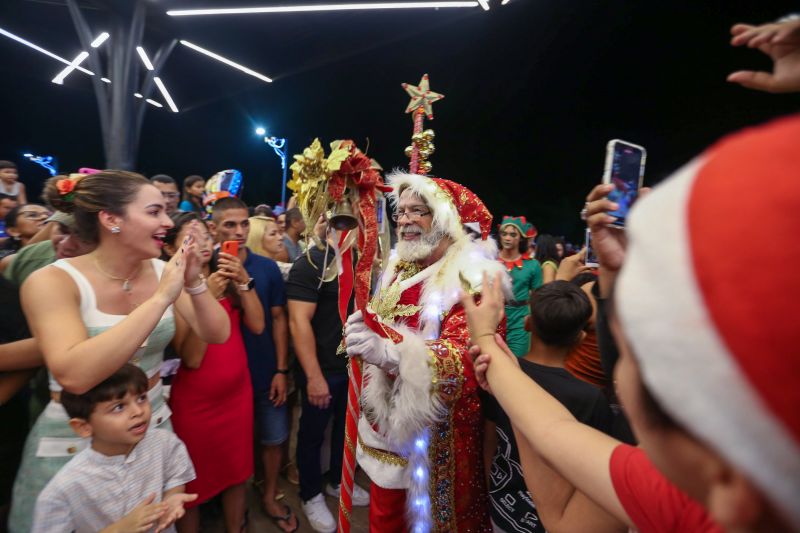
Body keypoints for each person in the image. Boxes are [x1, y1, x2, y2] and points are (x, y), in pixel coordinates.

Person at [463, 114, 800, 532]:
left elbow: (555, 452)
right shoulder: (745, 480)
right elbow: (552, 428)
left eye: (631, 355)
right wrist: (616, 273)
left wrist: (485, 339)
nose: (617, 364)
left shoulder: (682, 495)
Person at [9, 170, 229, 532]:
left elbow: (216, 332)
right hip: (76, 436)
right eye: (154, 211)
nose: (166, 221)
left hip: (151, 422)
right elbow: (74, 373)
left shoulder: (162, 270)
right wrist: (161, 299)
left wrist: (192, 283)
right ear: (111, 219)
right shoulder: (52, 281)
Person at [343, 173, 508, 532]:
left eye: (417, 211)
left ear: (446, 220)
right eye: (401, 211)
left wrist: (394, 354)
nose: (404, 220)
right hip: (385, 431)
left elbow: (470, 356)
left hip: (438, 439)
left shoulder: (473, 277)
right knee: (384, 517)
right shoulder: (400, 266)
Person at [481, 281, 615, 533]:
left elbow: (489, 440)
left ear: (527, 323)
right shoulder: (590, 398)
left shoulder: (501, 375)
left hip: (499, 510)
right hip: (556, 521)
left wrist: (489, 492)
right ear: (580, 337)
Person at [164, 212, 263, 533]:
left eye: (205, 237)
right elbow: (191, 358)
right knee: (192, 485)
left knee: (237, 474)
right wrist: (206, 295)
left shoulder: (226, 276)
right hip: (197, 406)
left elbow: (258, 325)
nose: (204, 245)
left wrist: (243, 281)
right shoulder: (174, 291)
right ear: (170, 250)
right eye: (190, 240)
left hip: (237, 396)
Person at [209, 198, 296, 532]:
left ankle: (270, 495)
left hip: (262, 371)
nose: (239, 231)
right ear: (213, 228)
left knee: (273, 438)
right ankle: (232, 507)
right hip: (221, 377)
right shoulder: (204, 265)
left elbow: (278, 320)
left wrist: (280, 370)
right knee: (230, 447)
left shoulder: (266, 267)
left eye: (244, 224)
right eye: (229, 225)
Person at [32, 364, 197, 533]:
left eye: (141, 398)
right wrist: (119, 529)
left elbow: (175, 476)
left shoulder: (163, 442)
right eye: (119, 407)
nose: (138, 411)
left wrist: (171, 499)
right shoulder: (65, 488)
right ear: (83, 427)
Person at [287, 217, 367, 533]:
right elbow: (298, 322)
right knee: (312, 433)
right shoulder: (310, 263)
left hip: (355, 367)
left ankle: (336, 481)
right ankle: (310, 494)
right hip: (321, 368)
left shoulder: (361, 261)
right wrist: (313, 376)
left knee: (345, 431)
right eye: (345, 220)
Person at [497, 215, 542, 356]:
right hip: (495, 318)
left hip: (520, 322)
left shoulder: (533, 265)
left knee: (518, 363)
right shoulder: (490, 260)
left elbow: (537, 297)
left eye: (512, 234)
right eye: (504, 234)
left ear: (521, 238)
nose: (507, 238)